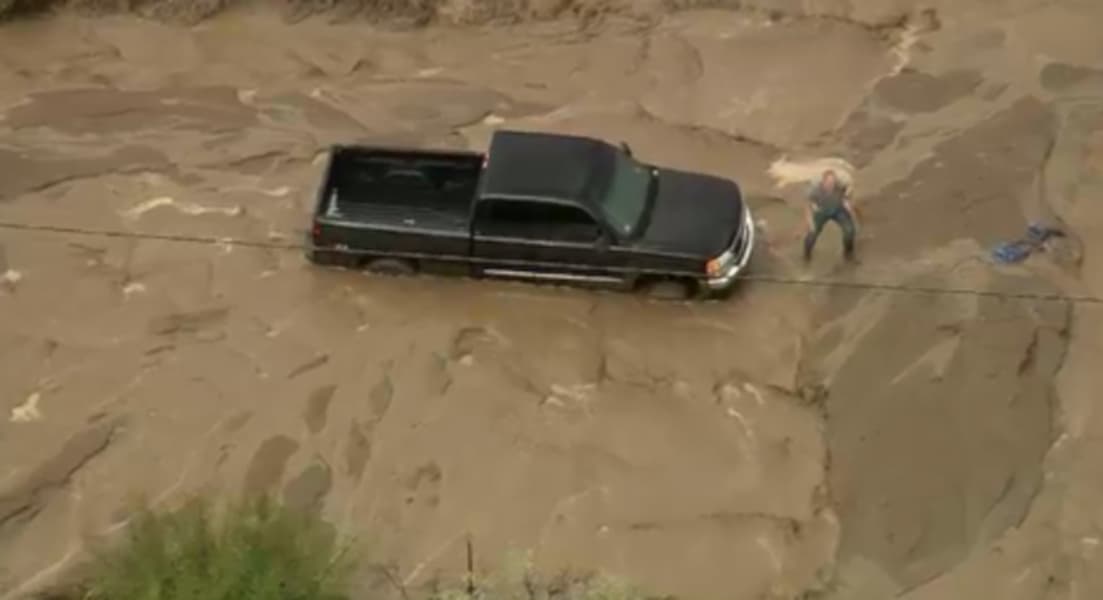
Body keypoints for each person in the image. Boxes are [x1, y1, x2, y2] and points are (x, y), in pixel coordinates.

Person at [803, 169, 858, 263]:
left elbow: (849, 190)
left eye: (833, 182)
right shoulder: (815, 190)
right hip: (821, 211)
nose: (831, 184)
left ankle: (848, 254)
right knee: (811, 234)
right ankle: (806, 255)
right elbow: (807, 206)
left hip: (838, 210)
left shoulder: (840, 187)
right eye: (828, 182)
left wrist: (847, 201)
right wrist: (810, 222)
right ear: (823, 182)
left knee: (849, 231)